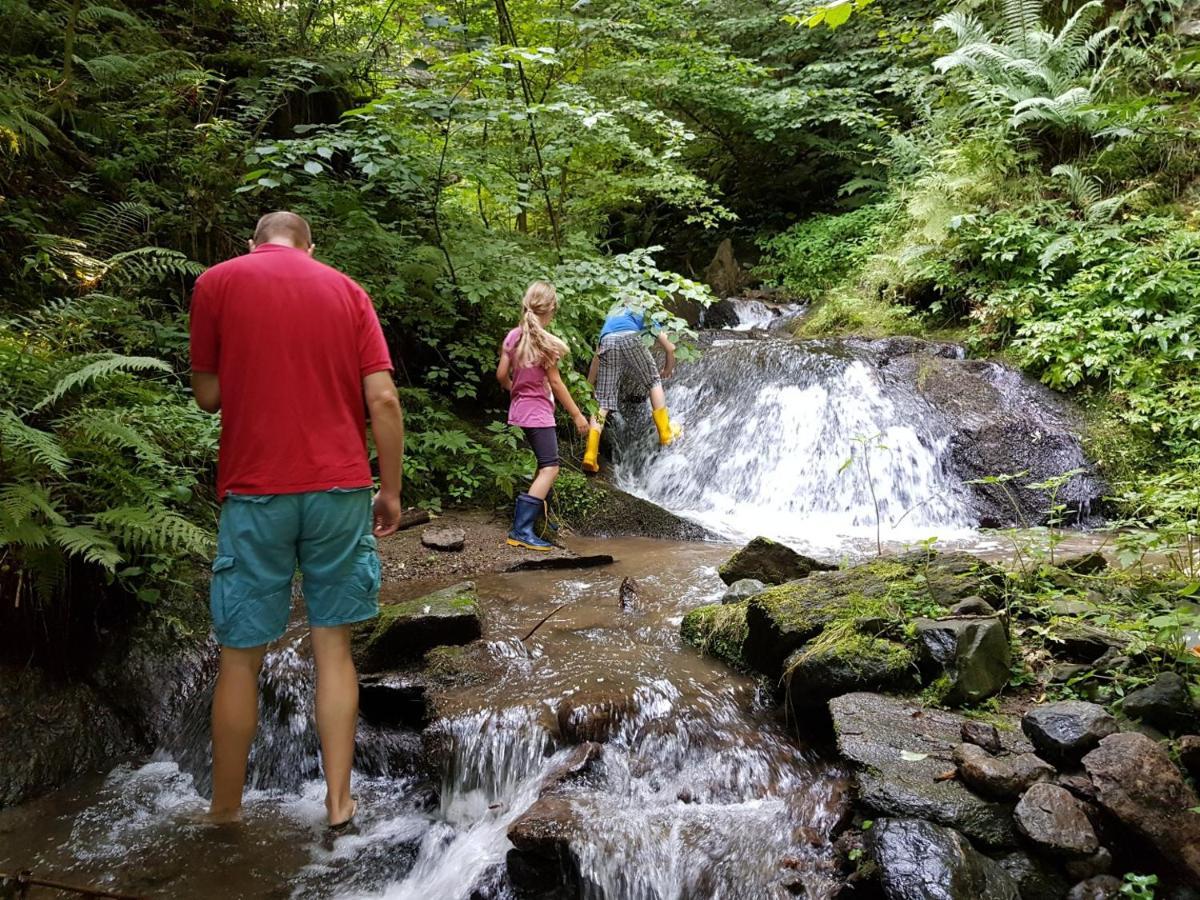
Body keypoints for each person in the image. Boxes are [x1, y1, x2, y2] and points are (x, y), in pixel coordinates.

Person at [189, 211, 405, 829]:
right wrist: (388, 490)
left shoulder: (216, 284)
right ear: (311, 246)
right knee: (333, 648)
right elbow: (384, 399)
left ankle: (224, 811)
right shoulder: (347, 291)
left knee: (239, 656)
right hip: (339, 487)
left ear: (253, 244)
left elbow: (207, 395)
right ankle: (339, 805)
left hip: (256, 490)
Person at [496, 281, 589, 551]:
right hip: (538, 414)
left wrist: (516, 391)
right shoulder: (545, 343)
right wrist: (577, 415)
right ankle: (521, 530)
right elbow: (557, 384)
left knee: (542, 465)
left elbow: (501, 375)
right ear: (551, 311)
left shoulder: (513, 336)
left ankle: (541, 520)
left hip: (520, 411)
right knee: (551, 467)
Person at [581, 299, 680, 473]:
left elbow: (597, 356)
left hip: (608, 343)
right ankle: (665, 432)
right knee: (653, 382)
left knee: (603, 403)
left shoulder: (611, 316)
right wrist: (667, 368)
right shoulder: (641, 312)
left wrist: (589, 384)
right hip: (631, 338)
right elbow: (670, 347)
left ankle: (590, 454)